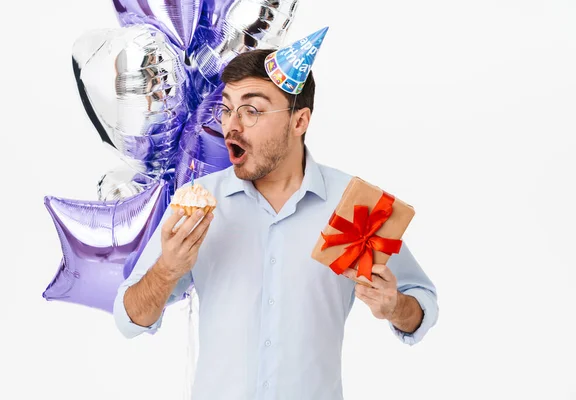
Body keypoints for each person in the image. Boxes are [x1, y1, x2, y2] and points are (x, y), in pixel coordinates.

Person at [113, 47, 439, 400]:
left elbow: (421, 304)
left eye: (251, 110)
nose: (232, 126)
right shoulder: (198, 202)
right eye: (226, 110)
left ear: (299, 121)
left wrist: (395, 307)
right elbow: (129, 318)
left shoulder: (352, 205)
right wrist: (167, 269)